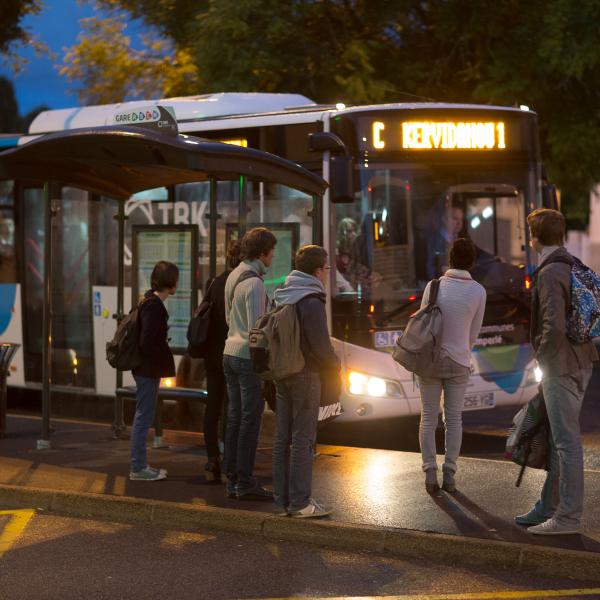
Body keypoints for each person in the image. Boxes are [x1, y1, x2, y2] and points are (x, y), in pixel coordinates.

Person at [515, 208, 597, 535]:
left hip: (560, 365)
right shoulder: (572, 263)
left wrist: (541, 361)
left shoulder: (549, 273)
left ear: (534, 238)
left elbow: (554, 328)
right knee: (556, 435)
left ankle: (566, 519)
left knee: (566, 442)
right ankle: (546, 507)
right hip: (582, 359)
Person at [272, 245, 340, 517]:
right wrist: (336, 366)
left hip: (282, 372)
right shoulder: (311, 299)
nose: (326, 274)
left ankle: (282, 500)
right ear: (317, 271)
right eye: (326, 269)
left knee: (282, 438)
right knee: (303, 438)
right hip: (305, 373)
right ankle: (301, 503)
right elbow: (321, 346)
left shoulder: (283, 294)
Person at [418, 238, 486, 493]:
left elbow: (424, 325)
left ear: (450, 258)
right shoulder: (479, 291)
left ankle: (429, 473)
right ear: (472, 262)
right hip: (459, 362)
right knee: (454, 419)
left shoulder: (434, 286)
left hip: (430, 362)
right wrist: (462, 352)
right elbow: (473, 333)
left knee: (428, 417)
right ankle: (450, 474)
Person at [223, 227, 277, 500]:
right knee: (249, 420)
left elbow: (227, 318)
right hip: (246, 356)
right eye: (272, 252)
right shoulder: (255, 283)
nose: (273, 257)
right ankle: (244, 482)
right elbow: (258, 332)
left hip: (229, 353)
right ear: (263, 252)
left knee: (235, 417)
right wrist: (264, 366)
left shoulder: (233, 275)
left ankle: (232, 476)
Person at [130, 260, 179, 481]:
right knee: (143, 417)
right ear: (171, 283)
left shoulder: (148, 300)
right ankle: (138, 468)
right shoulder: (154, 306)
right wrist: (161, 345)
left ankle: (141, 466)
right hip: (147, 369)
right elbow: (147, 341)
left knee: (144, 415)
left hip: (145, 368)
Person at [201, 241, 241, 481]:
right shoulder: (242, 283)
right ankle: (230, 463)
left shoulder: (214, 282)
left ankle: (211, 460)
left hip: (211, 354)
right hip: (232, 352)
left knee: (213, 407)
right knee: (232, 408)